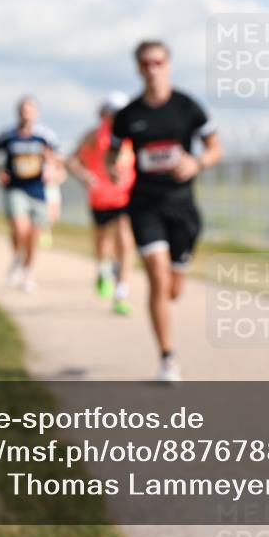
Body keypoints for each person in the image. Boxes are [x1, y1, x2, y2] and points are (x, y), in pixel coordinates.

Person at [107, 41, 224, 382]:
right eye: (146, 63)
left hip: (182, 207)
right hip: (144, 204)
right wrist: (114, 166)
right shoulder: (128, 115)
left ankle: (179, 270)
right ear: (139, 69)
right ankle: (167, 357)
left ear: (168, 64)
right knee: (157, 277)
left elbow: (216, 148)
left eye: (158, 61)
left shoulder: (188, 107)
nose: (153, 68)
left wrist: (197, 161)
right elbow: (112, 153)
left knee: (173, 286)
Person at [67, 91, 137, 315]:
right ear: (103, 114)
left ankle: (122, 293)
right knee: (102, 240)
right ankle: (103, 269)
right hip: (100, 197)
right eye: (112, 112)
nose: (116, 116)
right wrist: (85, 176)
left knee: (125, 240)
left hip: (126, 196)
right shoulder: (93, 135)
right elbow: (71, 160)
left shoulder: (133, 135)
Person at [0, 96, 65, 293]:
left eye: (30, 109)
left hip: (38, 190)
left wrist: (53, 165)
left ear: (36, 113)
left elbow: (59, 160)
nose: (26, 113)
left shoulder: (45, 136)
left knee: (33, 235)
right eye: (23, 109)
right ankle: (17, 257)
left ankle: (28, 272)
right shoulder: (7, 136)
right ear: (18, 112)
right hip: (15, 188)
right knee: (19, 229)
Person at [40, 159, 66, 248]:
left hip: (54, 191)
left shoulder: (57, 163)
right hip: (43, 191)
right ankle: (43, 235)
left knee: (54, 215)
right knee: (45, 214)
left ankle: (46, 232)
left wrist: (55, 178)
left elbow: (63, 176)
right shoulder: (41, 163)